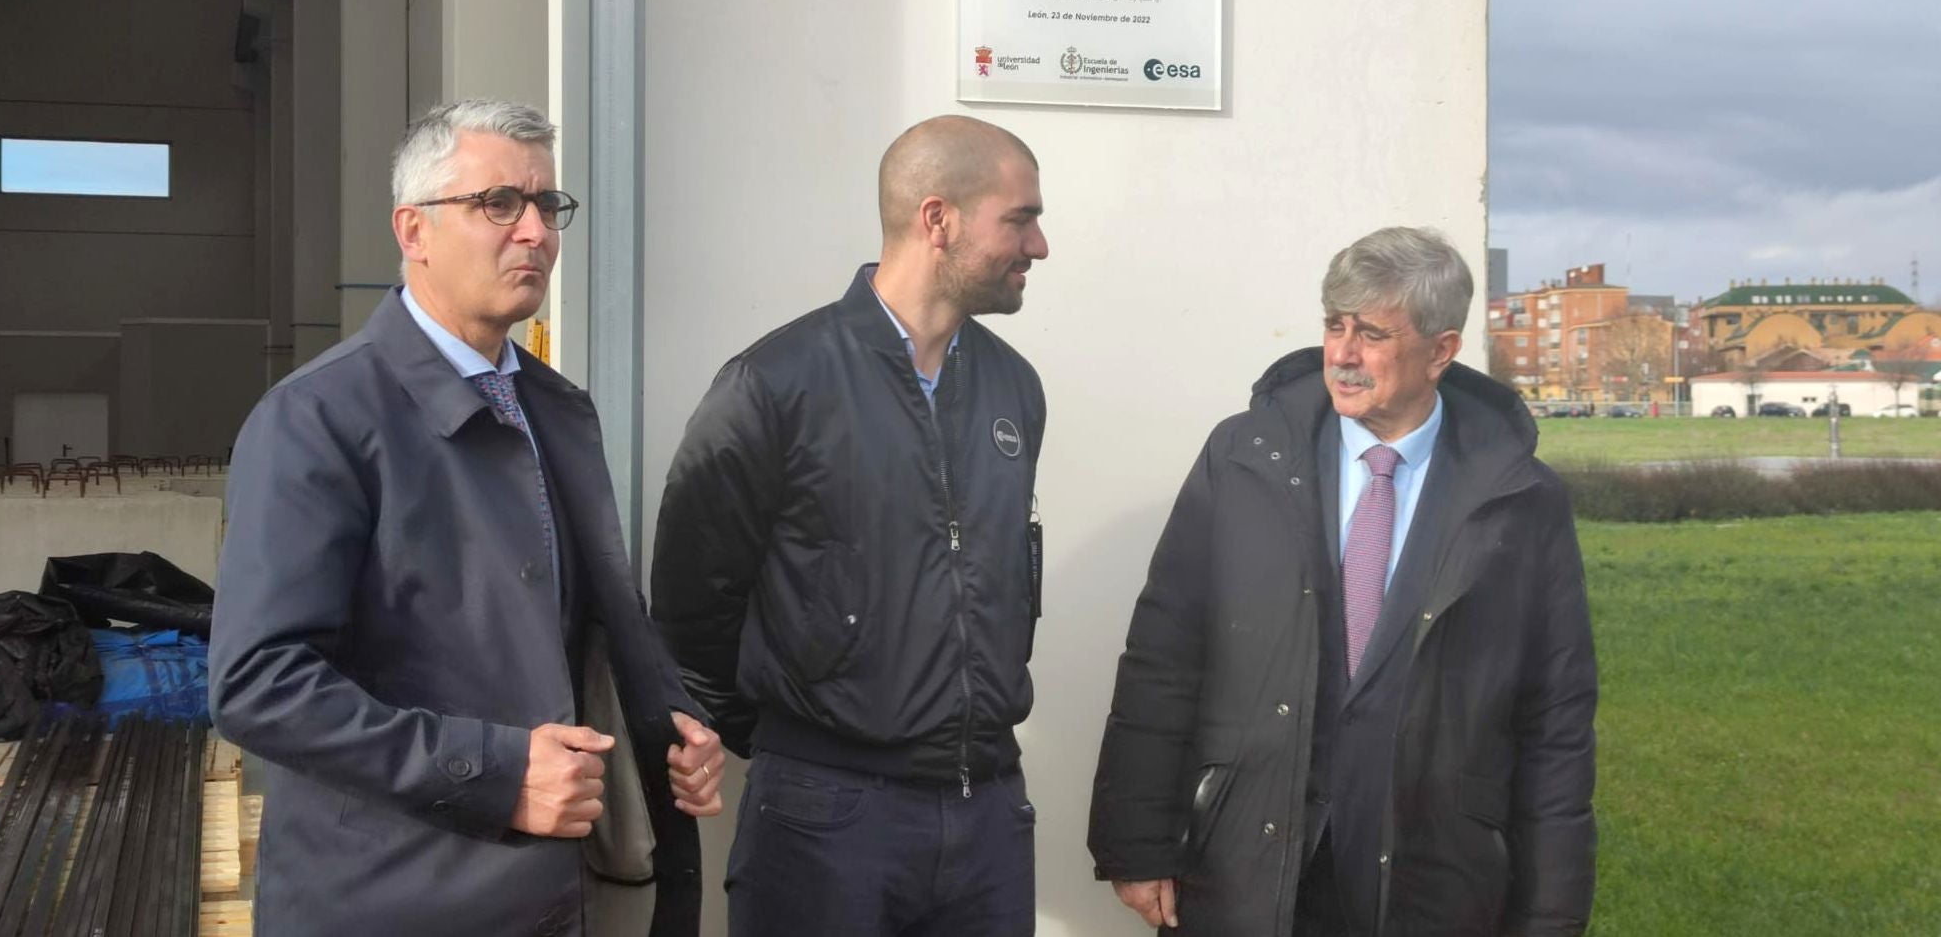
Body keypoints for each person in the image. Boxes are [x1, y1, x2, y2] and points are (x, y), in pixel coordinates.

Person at [210, 99, 726, 937]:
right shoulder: (319, 419)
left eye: (547, 205)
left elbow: (588, 621)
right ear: (412, 232)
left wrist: (668, 722)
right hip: (389, 898)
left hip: (550, 894)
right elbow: (257, 684)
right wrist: (497, 771)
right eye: (498, 204)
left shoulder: (554, 409)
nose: (534, 232)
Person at [1088, 227, 1597, 936]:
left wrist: (1549, 914)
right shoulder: (1244, 458)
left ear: (1442, 350)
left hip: (1433, 878)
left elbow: (1556, 719)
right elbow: (1164, 654)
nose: (1344, 355)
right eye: (1335, 326)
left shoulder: (1520, 499)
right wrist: (1134, 843)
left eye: (1373, 335)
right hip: (1244, 862)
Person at [650, 114, 1050, 937]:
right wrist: (797, 746)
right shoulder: (776, 384)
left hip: (987, 817)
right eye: (1019, 218)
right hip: (827, 818)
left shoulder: (1014, 388)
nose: (1038, 245)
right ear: (936, 219)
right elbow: (692, 604)